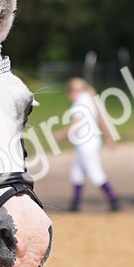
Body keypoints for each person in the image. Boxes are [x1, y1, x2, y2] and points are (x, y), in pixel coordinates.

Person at [54, 78, 120, 211]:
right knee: (76, 172)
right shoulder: (90, 98)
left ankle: (114, 200)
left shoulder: (80, 101)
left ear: (73, 91)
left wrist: (59, 135)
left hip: (86, 143)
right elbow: (102, 118)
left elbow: (75, 125)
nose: (69, 96)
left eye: (69, 93)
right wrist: (109, 137)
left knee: (95, 173)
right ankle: (75, 204)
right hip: (90, 142)